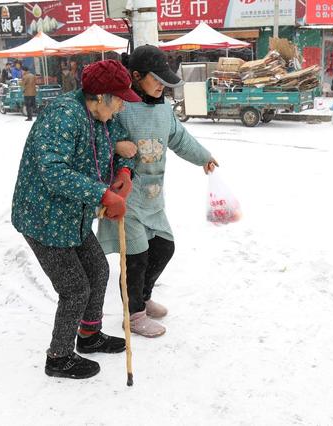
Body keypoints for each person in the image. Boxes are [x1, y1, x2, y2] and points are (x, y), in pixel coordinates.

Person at [11, 59, 142, 379]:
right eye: (119, 98)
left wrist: (124, 171)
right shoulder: (64, 116)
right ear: (99, 97)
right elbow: (54, 172)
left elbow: (117, 133)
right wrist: (103, 195)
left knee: (98, 270)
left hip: (74, 214)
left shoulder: (99, 113)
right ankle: (58, 357)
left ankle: (89, 335)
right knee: (74, 289)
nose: (122, 106)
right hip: (44, 216)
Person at [97, 45, 219, 338]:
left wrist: (203, 156)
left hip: (154, 197)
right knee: (135, 259)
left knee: (164, 247)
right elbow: (103, 139)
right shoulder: (120, 107)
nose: (162, 85)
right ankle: (134, 315)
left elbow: (179, 138)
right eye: (156, 79)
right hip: (126, 198)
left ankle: (144, 296)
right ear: (136, 76)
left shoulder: (164, 109)